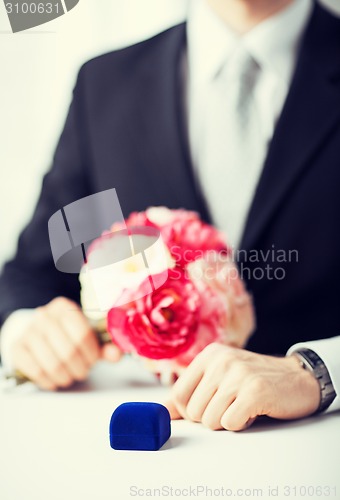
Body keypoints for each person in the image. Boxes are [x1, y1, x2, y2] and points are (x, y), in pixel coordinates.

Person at [0, 0, 339, 430]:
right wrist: (28, 331)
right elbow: (31, 275)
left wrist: (320, 371)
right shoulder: (103, 85)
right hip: (139, 443)